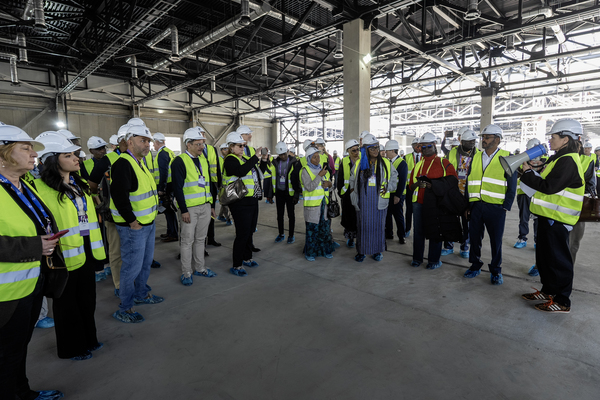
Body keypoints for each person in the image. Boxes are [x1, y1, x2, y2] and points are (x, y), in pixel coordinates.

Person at [0, 125, 64, 400]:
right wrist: (35, 246)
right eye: (25, 148)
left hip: (31, 282)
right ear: (2, 154)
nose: (34, 154)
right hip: (6, 293)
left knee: (18, 348)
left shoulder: (23, 186)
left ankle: (22, 392)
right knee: (6, 353)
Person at [34, 133, 106, 360]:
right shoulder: (39, 189)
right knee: (66, 305)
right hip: (62, 255)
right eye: (68, 155)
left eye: (75, 154)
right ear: (52, 160)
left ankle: (89, 339)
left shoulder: (78, 183)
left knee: (87, 300)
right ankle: (72, 348)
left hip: (85, 250)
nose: (76, 158)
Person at [520, 119, 585, 313]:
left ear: (566, 139)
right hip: (547, 217)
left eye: (554, 137)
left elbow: (549, 187)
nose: (550, 140)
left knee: (559, 261)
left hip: (558, 219)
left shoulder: (568, 161)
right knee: (545, 259)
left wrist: (528, 174)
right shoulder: (558, 159)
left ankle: (563, 301)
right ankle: (548, 291)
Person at [109, 124, 164, 323]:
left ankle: (141, 294)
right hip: (134, 227)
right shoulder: (123, 164)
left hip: (147, 223)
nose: (147, 144)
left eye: (148, 141)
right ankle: (125, 308)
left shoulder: (139, 162)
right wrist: (132, 222)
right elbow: (119, 197)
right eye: (143, 140)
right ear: (130, 142)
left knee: (145, 264)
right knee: (131, 268)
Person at [464, 124, 517, 285]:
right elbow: (469, 182)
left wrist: (506, 206)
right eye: (483, 137)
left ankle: (496, 270)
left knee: (496, 241)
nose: (484, 140)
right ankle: (475, 265)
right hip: (476, 206)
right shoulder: (475, 157)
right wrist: (467, 205)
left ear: (497, 140)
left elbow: (512, 185)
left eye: (487, 137)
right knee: (475, 238)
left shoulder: (507, 157)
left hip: (496, 207)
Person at [171, 127, 217, 286]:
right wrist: (183, 210)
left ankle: (200, 268)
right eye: (198, 144)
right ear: (188, 144)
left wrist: (211, 205)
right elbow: (177, 188)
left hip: (205, 206)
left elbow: (208, 184)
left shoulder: (203, 159)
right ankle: (186, 273)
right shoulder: (179, 161)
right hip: (189, 209)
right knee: (187, 241)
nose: (201, 147)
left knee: (200, 239)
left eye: (202, 143)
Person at [409, 132, 458, 269]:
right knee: (418, 232)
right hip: (418, 203)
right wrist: (417, 184)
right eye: (422, 147)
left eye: (428, 146)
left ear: (435, 145)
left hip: (436, 204)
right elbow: (411, 186)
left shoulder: (443, 163)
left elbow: (452, 181)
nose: (425, 150)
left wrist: (434, 185)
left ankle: (433, 261)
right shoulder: (418, 165)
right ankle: (417, 259)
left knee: (435, 232)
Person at [223, 131, 267, 276]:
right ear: (231, 147)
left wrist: (263, 160)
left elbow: (259, 174)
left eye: (243, 145)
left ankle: (247, 258)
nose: (243, 148)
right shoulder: (230, 160)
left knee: (249, 231)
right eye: (239, 145)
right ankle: (237, 265)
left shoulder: (246, 159)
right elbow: (241, 171)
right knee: (242, 233)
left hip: (251, 200)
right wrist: (254, 158)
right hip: (239, 202)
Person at [349, 133, 398, 262]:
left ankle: (377, 251)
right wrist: (353, 192)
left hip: (379, 203)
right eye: (372, 148)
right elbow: (352, 179)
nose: (376, 150)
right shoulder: (359, 164)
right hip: (363, 202)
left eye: (377, 147)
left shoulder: (386, 163)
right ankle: (361, 252)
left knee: (378, 227)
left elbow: (394, 178)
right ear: (366, 149)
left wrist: (389, 187)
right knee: (363, 227)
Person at [441, 129, 479, 258]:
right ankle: (448, 245)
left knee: (467, 222)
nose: (472, 143)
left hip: (469, 193)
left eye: (473, 141)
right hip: (453, 192)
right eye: (469, 141)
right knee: (450, 220)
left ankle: (465, 247)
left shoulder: (478, 154)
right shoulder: (452, 153)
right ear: (462, 142)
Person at [302, 146, 334, 261]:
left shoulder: (322, 169)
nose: (317, 159)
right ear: (308, 158)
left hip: (324, 205)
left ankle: (325, 251)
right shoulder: (305, 171)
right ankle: (310, 253)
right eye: (314, 157)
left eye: (318, 157)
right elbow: (309, 187)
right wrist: (319, 175)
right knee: (312, 231)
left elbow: (329, 187)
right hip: (312, 207)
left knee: (324, 230)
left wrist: (330, 184)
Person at [568, 139, 597, 265]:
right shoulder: (558, 160)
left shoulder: (588, 161)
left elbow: (591, 185)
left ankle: (568, 267)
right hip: (558, 207)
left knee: (574, 241)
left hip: (578, 207)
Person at [264, 141, 299, 244]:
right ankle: (281, 234)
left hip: (290, 194)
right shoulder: (275, 163)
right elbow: (272, 180)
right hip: (279, 193)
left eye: (284, 154)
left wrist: (296, 194)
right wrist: (270, 195)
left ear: (287, 151)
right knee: (280, 215)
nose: (283, 156)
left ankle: (291, 235)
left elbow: (297, 180)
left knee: (291, 215)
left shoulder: (294, 162)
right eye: (280, 155)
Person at [514, 138, 544, 250]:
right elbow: (517, 173)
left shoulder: (545, 161)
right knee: (524, 217)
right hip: (523, 192)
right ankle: (522, 238)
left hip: (537, 193)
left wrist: (540, 167)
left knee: (538, 218)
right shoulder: (523, 159)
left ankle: (538, 240)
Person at [236, 125, 261, 252]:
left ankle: (249, 245)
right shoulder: (235, 152)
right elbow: (241, 170)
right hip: (242, 193)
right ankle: (244, 249)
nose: (250, 136)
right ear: (241, 136)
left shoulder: (251, 150)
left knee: (252, 222)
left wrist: (263, 160)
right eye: (248, 134)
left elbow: (255, 168)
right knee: (243, 226)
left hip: (253, 191)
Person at [152, 132, 178, 243]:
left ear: (158, 142)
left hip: (166, 186)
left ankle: (173, 234)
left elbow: (164, 172)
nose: (153, 145)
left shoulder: (162, 154)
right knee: (168, 210)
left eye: (154, 143)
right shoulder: (169, 151)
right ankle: (170, 231)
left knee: (169, 210)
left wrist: (161, 189)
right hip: (170, 184)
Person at [336, 139, 360, 247]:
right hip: (346, 194)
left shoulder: (362, 160)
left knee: (358, 216)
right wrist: (341, 193)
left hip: (359, 194)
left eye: (357, 149)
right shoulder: (344, 161)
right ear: (348, 151)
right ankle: (350, 238)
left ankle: (359, 237)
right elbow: (340, 178)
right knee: (348, 216)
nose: (356, 152)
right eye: (353, 150)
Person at [384, 140, 408, 244]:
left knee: (398, 215)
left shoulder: (402, 163)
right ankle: (389, 233)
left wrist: (398, 195)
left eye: (387, 151)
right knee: (387, 214)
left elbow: (402, 181)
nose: (385, 153)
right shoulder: (387, 162)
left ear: (393, 151)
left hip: (397, 194)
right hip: (388, 193)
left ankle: (401, 236)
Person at [403, 137, 421, 238]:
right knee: (409, 209)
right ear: (412, 146)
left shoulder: (425, 157)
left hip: (422, 188)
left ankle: (422, 229)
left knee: (422, 209)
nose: (417, 147)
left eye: (419, 145)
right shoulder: (407, 157)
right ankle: (407, 228)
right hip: (410, 188)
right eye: (415, 145)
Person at [217, 143, 233, 225]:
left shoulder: (231, 159)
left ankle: (220, 216)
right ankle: (228, 218)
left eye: (228, 149)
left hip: (230, 184)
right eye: (225, 149)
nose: (227, 150)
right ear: (221, 150)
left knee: (225, 202)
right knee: (226, 203)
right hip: (222, 185)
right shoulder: (218, 160)